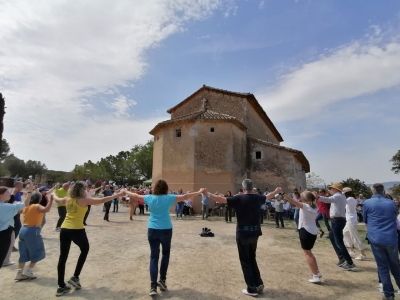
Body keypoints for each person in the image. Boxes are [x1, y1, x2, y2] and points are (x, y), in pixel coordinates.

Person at [125, 180, 203, 296]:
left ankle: (153, 286)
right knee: (165, 254)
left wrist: (125, 191)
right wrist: (199, 192)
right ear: (166, 188)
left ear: (155, 188)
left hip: (152, 229)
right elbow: (185, 196)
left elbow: (136, 196)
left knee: (154, 257)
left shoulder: (149, 197)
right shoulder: (169, 198)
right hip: (166, 229)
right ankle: (162, 280)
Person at [205, 179, 279, 297]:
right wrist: (277, 191)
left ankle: (251, 288)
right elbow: (269, 196)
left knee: (245, 261)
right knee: (252, 258)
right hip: (255, 233)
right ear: (252, 187)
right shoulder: (258, 197)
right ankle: (258, 283)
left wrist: (208, 194)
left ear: (243, 188)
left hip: (243, 233)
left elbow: (221, 199)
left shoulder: (239, 198)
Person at [52, 181, 125, 297]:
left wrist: (53, 194)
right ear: (82, 190)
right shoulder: (83, 200)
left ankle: (61, 286)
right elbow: (101, 200)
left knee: (63, 257)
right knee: (85, 250)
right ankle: (75, 277)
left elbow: (57, 200)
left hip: (64, 229)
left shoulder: (67, 199)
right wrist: (117, 195)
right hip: (77, 229)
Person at [363, 183, 400, 300]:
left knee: (383, 267)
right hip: (391, 238)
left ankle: (389, 294)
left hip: (376, 238)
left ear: (372, 191)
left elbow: (365, 219)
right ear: (383, 191)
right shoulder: (391, 203)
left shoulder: (367, 203)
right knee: (395, 266)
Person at [281, 190, 321, 283]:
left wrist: (283, 193)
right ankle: (317, 272)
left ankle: (315, 275)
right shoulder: (315, 206)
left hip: (305, 231)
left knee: (307, 254)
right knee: (310, 253)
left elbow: (291, 200)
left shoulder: (305, 206)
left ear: (304, 199)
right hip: (312, 231)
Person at [14, 191, 54, 281]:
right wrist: (51, 201)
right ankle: (29, 270)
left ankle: (19, 273)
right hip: (32, 230)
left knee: (23, 253)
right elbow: (46, 210)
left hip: (23, 229)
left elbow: (19, 211)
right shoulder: (36, 206)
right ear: (39, 199)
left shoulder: (26, 206)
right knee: (38, 251)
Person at [317, 182, 356, 271]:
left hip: (337, 220)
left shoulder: (338, 196)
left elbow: (328, 200)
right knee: (332, 237)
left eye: (331, 188)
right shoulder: (340, 196)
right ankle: (342, 258)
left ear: (336, 189)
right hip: (338, 220)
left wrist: (318, 196)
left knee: (339, 242)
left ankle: (349, 262)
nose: (330, 190)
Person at [0, 182, 33, 268]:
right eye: (7, 192)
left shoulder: (5, 206)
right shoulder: (5, 207)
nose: (9, 194)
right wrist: (30, 190)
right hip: (3, 234)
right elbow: (25, 204)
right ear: (1, 195)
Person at [342, 187, 367, 260]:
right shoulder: (352, 199)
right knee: (345, 233)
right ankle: (351, 250)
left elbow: (341, 201)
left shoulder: (349, 199)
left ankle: (362, 254)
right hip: (350, 219)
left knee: (355, 236)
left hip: (351, 220)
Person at [11, 181, 24, 251]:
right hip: (13, 214)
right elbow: (10, 201)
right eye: (20, 186)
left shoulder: (19, 193)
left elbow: (25, 193)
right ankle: (11, 244)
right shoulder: (12, 193)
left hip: (17, 213)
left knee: (17, 228)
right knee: (16, 227)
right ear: (16, 186)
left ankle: (11, 244)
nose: (22, 187)